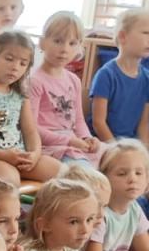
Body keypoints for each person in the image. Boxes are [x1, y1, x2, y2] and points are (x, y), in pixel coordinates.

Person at [0, 30, 61, 186]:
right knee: (9, 181)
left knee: (61, 171)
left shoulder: (20, 96)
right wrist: (3, 155)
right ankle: (11, 203)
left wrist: (35, 154)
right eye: (9, 59)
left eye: (23, 63)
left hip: (19, 157)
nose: (15, 67)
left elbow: (30, 132)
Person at [31, 11, 100, 162]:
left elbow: (79, 120)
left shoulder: (74, 80)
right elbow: (30, 127)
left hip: (72, 142)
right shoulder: (35, 81)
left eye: (72, 43)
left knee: (119, 157)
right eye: (58, 41)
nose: (64, 49)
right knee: (84, 171)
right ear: (42, 43)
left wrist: (87, 137)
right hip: (48, 147)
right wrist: (69, 141)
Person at [90, 8, 149, 143]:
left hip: (129, 146)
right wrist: (117, 149)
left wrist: (144, 152)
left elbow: (143, 125)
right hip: (103, 143)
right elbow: (98, 123)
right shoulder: (106, 75)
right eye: (146, 33)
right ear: (123, 36)